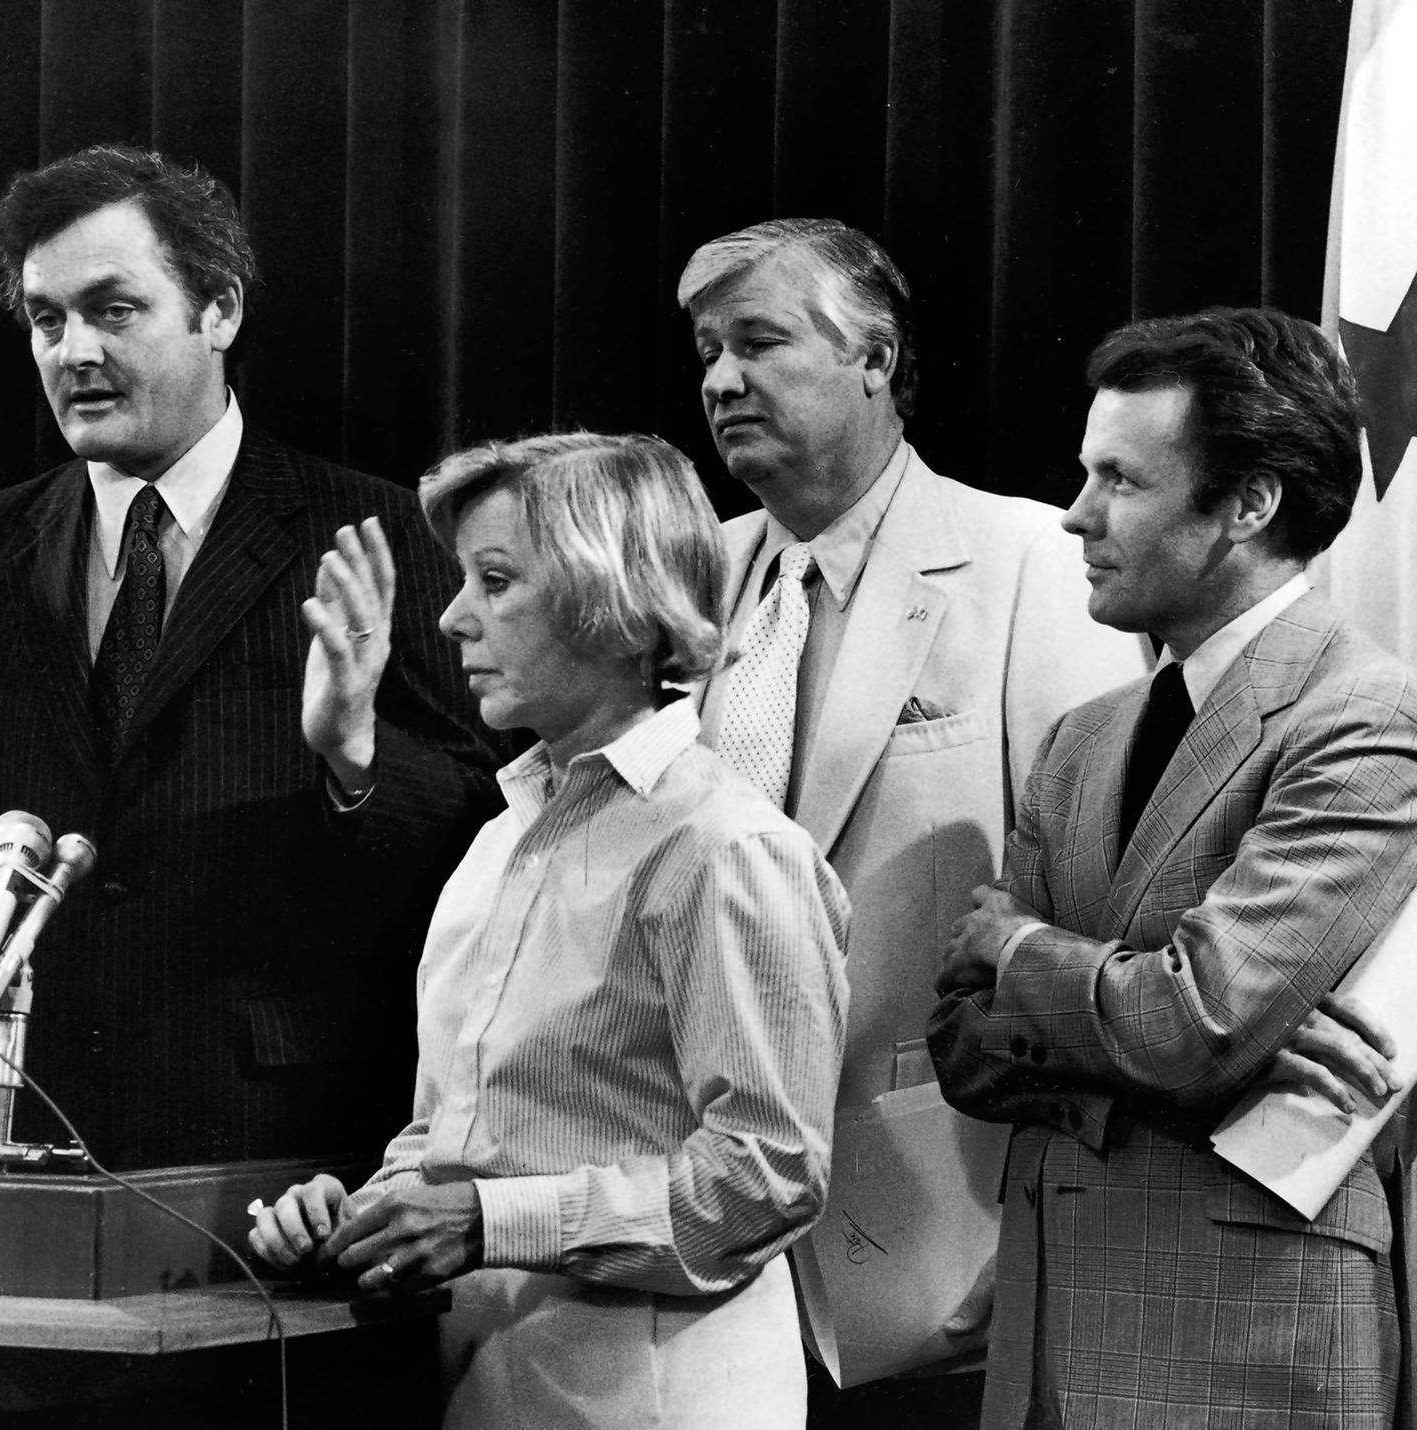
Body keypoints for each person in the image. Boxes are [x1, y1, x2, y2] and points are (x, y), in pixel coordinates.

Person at [0, 143, 497, 1170]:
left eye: (114, 310)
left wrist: (353, 751)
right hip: (17, 1131)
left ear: (220, 313)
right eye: (45, 318)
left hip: (280, 1145)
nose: (72, 352)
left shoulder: (375, 529)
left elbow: (485, 826)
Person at [250, 431, 850, 1429]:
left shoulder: (722, 846)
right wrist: (364, 1210)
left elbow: (766, 1174)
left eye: (495, 580)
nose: (449, 618)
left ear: (613, 600)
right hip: (492, 1380)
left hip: (654, 1397)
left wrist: (488, 1218)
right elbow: (473, 1129)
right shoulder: (499, 841)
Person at [678, 217, 1147, 1420]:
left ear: (874, 357)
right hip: (690, 1242)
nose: (721, 378)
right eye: (705, 348)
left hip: (938, 1242)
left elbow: (1090, 897)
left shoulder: (1028, 559)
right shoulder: (683, 577)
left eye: (760, 341)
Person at [929, 306, 1417, 1428]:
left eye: (1119, 480)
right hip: (1049, 1335)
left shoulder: (1362, 718)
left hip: (1248, 1343)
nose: (1074, 515)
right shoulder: (1079, 737)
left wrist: (1015, 947)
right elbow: (961, 1041)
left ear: (1247, 504)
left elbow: (1188, 1023)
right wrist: (1176, 1033)